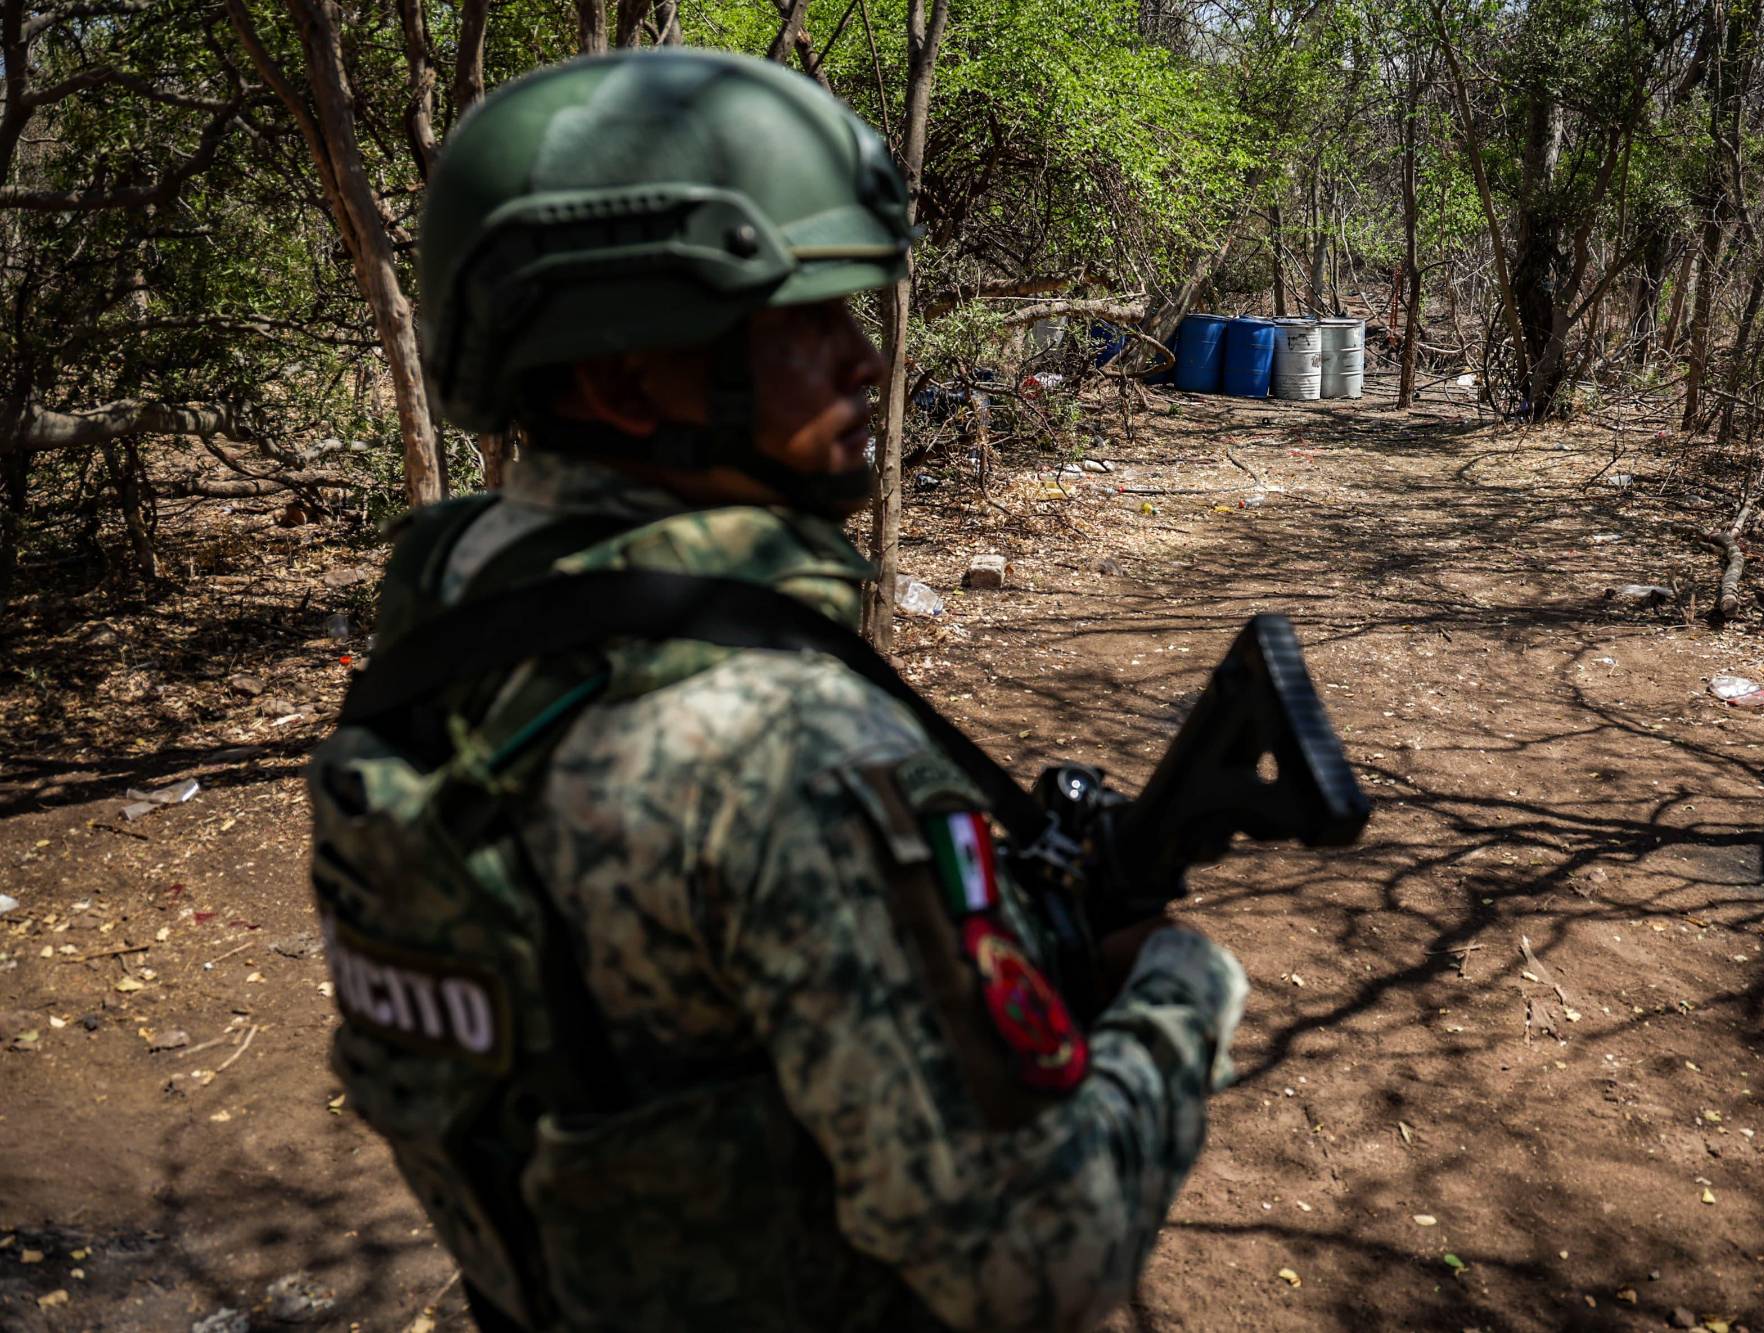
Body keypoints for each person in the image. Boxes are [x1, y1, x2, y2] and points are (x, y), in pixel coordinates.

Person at [308, 47, 1247, 1333]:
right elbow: (1039, 1259)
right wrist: (1182, 993)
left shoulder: (451, 614)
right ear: (622, 381)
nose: (867, 361)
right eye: (806, 321)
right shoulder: (780, 749)